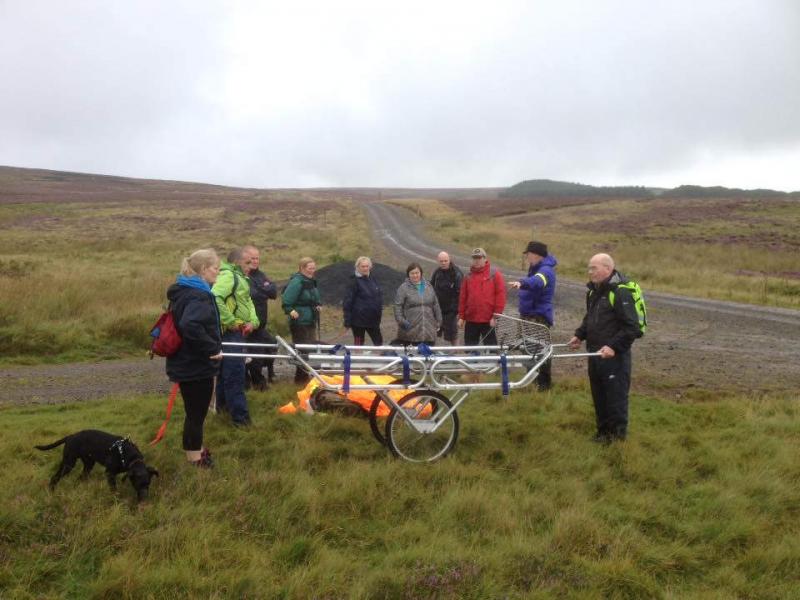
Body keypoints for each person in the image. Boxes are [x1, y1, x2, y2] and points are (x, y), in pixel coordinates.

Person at [568, 253, 642, 443]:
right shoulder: (593, 291)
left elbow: (631, 327)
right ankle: (602, 434)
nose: (590, 272)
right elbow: (590, 318)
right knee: (599, 396)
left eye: (594, 268)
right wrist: (579, 335)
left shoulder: (620, 292)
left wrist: (613, 347)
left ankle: (617, 441)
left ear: (608, 269)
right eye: (589, 268)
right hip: (595, 354)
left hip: (615, 357)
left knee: (615, 398)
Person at [165, 248, 223, 468]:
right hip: (195, 365)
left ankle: (197, 451)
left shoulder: (184, 290)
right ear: (203, 269)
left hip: (185, 361)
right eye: (215, 268)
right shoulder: (198, 295)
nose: (217, 273)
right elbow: (190, 325)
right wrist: (210, 348)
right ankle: (195, 460)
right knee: (196, 415)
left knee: (194, 413)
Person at [212, 247, 259, 427]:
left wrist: (253, 322)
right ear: (236, 263)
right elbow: (215, 297)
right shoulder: (228, 276)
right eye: (247, 263)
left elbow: (247, 302)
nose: (251, 266)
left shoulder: (241, 279)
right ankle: (241, 420)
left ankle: (223, 412)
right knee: (234, 375)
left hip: (239, 331)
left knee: (226, 375)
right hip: (230, 333)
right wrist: (230, 320)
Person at [509, 241, 557, 391]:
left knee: (540, 352)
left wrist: (522, 283)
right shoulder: (536, 268)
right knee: (528, 351)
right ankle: (532, 382)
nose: (527, 257)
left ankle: (543, 386)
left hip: (538, 319)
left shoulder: (545, 271)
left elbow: (537, 282)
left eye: (528, 254)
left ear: (536, 255)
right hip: (529, 317)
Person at [243, 244, 278, 390]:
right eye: (253, 258)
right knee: (246, 355)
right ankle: (251, 382)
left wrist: (262, 289)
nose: (256, 261)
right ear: (245, 258)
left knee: (260, 352)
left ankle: (258, 382)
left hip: (260, 325)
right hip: (245, 325)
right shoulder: (242, 275)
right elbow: (251, 294)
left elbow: (273, 292)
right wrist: (263, 289)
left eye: (257, 258)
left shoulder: (260, 274)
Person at [282, 257, 321, 384]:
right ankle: (300, 380)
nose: (312, 271)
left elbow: (314, 297)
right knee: (302, 351)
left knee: (309, 349)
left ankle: (305, 378)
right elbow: (287, 299)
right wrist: (290, 310)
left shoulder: (310, 281)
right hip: (299, 322)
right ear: (302, 268)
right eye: (310, 268)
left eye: (313, 268)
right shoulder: (297, 282)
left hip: (310, 319)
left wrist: (318, 305)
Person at [458, 247, 506, 347]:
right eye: (474, 258)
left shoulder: (495, 275)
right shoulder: (468, 277)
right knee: (470, 351)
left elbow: (500, 296)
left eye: (479, 258)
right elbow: (463, 298)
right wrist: (461, 317)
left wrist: (495, 317)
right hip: (471, 320)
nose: (477, 261)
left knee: (492, 351)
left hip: (488, 321)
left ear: (485, 259)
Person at [393, 262, 442, 346]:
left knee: (427, 355)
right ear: (408, 274)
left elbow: (435, 304)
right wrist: (402, 321)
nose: (415, 275)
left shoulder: (428, 286)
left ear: (421, 273)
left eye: (417, 273)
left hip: (428, 329)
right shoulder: (403, 288)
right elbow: (398, 306)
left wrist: (439, 320)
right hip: (410, 329)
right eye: (412, 273)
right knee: (412, 356)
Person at [342, 256, 383, 346]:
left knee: (379, 342)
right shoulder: (353, 281)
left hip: (373, 319)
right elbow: (347, 302)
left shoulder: (373, 279)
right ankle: (358, 359)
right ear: (357, 267)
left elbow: (378, 297)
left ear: (370, 267)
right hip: (358, 321)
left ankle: (380, 359)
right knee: (359, 343)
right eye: (362, 266)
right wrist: (347, 320)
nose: (365, 268)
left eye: (367, 266)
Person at [430, 251, 463, 345]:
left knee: (453, 335)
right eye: (441, 261)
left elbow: (461, 294)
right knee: (434, 333)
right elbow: (431, 288)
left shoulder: (457, 274)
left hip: (451, 312)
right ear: (438, 261)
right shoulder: (436, 273)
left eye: (445, 261)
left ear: (449, 260)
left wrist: (455, 311)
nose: (443, 263)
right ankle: (431, 354)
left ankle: (455, 355)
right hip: (438, 310)